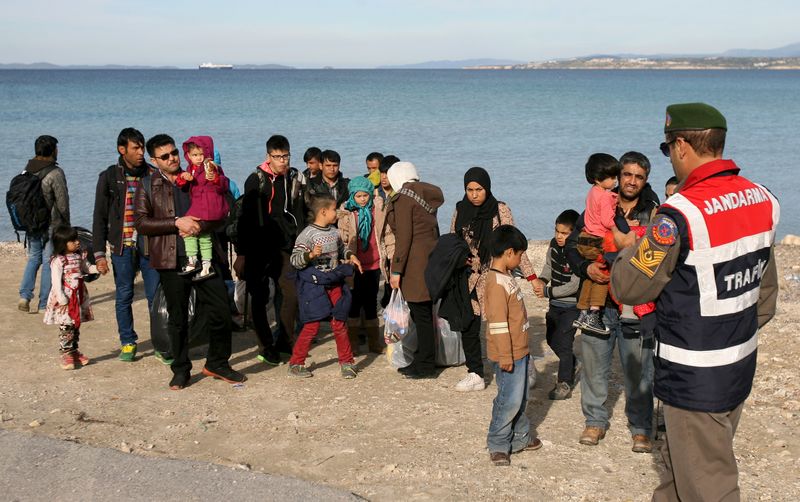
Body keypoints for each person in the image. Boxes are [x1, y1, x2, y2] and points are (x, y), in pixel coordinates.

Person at [611, 103, 779, 500]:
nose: (669, 155)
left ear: (681, 145)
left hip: (693, 375)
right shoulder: (762, 199)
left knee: (708, 484)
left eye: (666, 147)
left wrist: (628, 245)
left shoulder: (677, 216)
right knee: (680, 472)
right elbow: (765, 295)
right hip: (738, 363)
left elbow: (630, 287)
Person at [565, 150, 659, 453]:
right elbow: (573, 243)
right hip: (599, 300)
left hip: (635, 302)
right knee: (594, 364)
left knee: (639, 369)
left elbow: (659, 254)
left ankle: (641, 428)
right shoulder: (600, 199)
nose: (632, 181)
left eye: (639, 177)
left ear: (645, 180)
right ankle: (594, 421)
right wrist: (586, 267)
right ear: (618, 175)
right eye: (627, 174)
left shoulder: (654, 210)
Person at [135, 133, 246, 390]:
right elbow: (141, 223)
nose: (172, 158)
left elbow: (222, 213)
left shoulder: (198, 176)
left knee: (220, 310)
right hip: (171, 258)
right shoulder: (148, 186)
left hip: (207, 256)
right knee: (177, 317)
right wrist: (176, 223)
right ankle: (181, 369)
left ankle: (217, 363)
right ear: (155, 160)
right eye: (165, 156)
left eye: (174, 152)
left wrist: (200, 225)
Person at [449, 167, 538, 392]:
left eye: (479, 189)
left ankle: (525, 364)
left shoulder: (500, 210)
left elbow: (515, 245)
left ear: (487, 188)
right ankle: (475, 373)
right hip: (467, 277)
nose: (474, 194)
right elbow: (453, 241)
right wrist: (459, 260)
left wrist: (532, 276)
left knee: (505, 323)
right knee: (468, 324)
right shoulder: (460, 209)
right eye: (469, 189)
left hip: (494, 277)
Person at [234, 135, 306, 365]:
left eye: (286, 155)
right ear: (268, 157)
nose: (283, 161)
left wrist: (302, 239)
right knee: (259, 297)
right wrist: (242, 253)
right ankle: (266, 346)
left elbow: (301, 211)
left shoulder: (295, 178)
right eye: (278, 156)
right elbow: (245, 219)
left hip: (286, 246)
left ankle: (284, 340)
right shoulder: (255, 180)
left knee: (291, 293)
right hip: (257, 247)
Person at [92, 128, 160, 362]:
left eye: (142, 147)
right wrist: (99, 254)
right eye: (136, 148)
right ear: (122, 150)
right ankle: (128, 342)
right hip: (122, 247)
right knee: (124, 295)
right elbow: (99, 217)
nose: (141, 152)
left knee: (155, 296)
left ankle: (160, 341)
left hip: (150, 246)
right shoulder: (110, 177)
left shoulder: (153, 174)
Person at [485, 225, 543, 466]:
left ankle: (520, 436)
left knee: (521, 396)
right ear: (509, 253)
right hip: (508, 353)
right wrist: (506, 356)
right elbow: (498, 324)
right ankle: (498, 443)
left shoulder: (507, 277)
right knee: (508, 399)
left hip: (520, 349)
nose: (521, 260)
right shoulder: (497, 283)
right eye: (520, 255)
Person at [288, 194, 362, 378]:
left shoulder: (334, 231)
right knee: (312, 325)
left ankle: (346, 362)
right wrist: (310, 256)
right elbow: (295, 260)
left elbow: (341, 248)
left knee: (339, 322)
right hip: (314, 286)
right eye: (333, 209)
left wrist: (350, 255)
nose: (336, 213)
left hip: (334, 282)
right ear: (323, 211)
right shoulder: (307, 235)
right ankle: (296, 363)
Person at [385, 161, 444, 379]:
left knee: (421, 317)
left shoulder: (403, 199)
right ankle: (422, 359)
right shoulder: (427, 195)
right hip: (429, 259)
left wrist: (396, 270)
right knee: (425, 315)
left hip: (414, 263)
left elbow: (404, 238)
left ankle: (426, 365)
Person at [532, 209, 581, 400]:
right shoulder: (553, 246)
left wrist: (547, 291)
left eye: (564, 233)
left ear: (574, 233)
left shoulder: (578, 251)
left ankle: (564, 384)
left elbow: (574, 285)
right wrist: (543, 280)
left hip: (572, 306)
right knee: (552, 339)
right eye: (557, 232)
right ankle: (571, 363)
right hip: (555, 305)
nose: (559, 237)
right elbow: (549, 266)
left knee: (565, 343)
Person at [18, 135, 70, 314]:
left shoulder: (27, 169)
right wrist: (67, 226)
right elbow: (62, 203)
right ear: (52, 150)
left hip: (31, 223)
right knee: (49, 262)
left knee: (33, 258)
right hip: (51, 224)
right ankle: (43, 304)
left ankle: (24, 296)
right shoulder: (55, 173)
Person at [573, 153, 623, 335]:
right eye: (611, 178)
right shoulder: (606, 196)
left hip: (584, 238)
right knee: (601, 276)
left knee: (590, 277)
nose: (615, 181)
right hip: (598, 240)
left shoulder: (593, 192)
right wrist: (618, 226)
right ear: (597, 178)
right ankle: (594, 313)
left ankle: (582, 312)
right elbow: (607, 220)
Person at [339, 176, 387, 354]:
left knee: (371, 301)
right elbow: (343, 238)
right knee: (354, 302)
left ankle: (374, 341)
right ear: (352, 196)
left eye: (365, 196)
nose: (362, 199)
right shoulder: (346, 212)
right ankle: (352, 342)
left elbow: (385, 233)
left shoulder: (378, 209)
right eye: (358, 196)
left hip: (374, 263)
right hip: (353, 265)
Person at [176, 136, 229, 280]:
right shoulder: (190, 169)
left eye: (201, 154)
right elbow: (183, 185)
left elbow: (224, 184)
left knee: (193, 232)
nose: (198, 158)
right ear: (188, 156)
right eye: (194, 155)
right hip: (200, 205)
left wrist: (215, 178)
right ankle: (201, 262)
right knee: (198, 234)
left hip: (209, 205)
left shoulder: (211, 167)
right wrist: (183, 178)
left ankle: (198, 261)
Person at [43, 225, 94, 370]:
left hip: (78, 294)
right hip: (66, 296)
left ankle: (74, 350)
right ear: (62, 243)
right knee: (66, 325)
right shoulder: (59, 260)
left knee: (76, 324)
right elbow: (56, 282)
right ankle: (66, 353)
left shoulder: (79, 256)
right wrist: (62, 299)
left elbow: (86, 268)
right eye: (73, 240)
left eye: (76, 239)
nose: (77, 242)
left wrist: (98, 268)